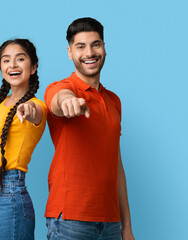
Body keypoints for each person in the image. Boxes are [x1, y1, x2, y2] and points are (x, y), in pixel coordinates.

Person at [44, 17, 135, 240]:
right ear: (69, 53)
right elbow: (57, 100)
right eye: (80, 46)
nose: (89, 53)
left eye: (96, 44)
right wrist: (67, 102)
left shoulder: (114, 101)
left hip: (112, 223)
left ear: (104, 48)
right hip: (71, 220)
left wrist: (127, 227)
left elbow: (117, 167)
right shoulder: (62, 87)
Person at [0, 39, 47, 240]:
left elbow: (35, 113)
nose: (12, 65)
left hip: (9, 196)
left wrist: (27, 110)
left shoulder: (37, 105)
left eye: (20, 59)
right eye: (6, 60)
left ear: (33, 67)